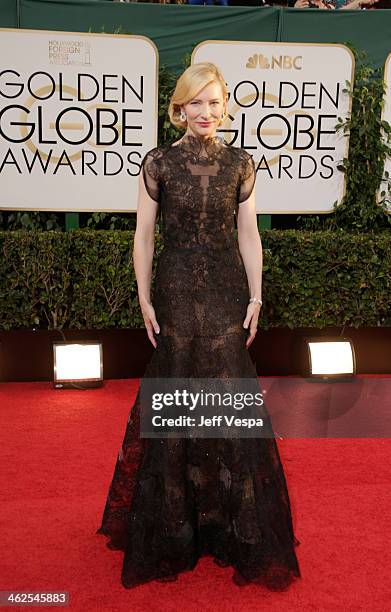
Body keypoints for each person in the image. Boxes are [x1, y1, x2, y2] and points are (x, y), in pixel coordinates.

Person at [96, 62, 301, 591]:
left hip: (227, 292)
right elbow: (143, 237)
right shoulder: (158, 163)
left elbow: (249, 235)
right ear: (179, 108)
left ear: (224, 107)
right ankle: (173, 529)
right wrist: (142, 295)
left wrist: (257, 295)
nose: (205, 112)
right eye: (196, 102)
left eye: (214, 102)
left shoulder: (240, 163)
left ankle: (232, 525)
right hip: (176, 291)